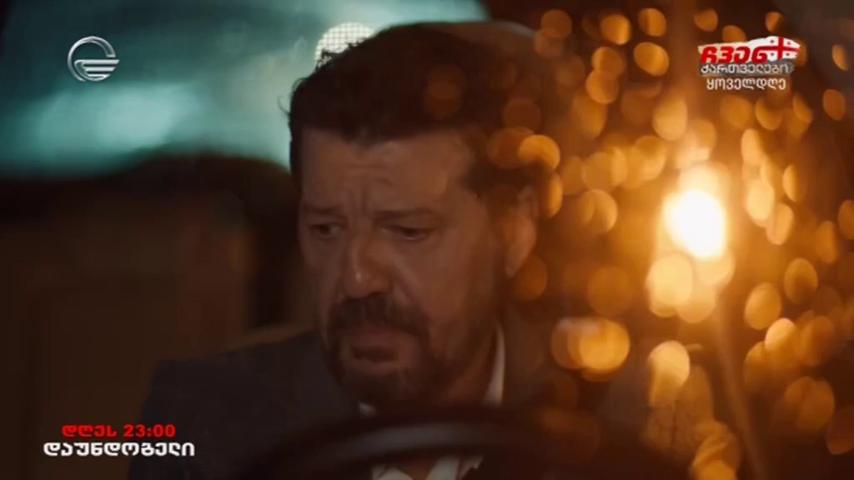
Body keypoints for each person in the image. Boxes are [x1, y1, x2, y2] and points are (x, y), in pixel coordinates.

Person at [129, 22, 657, 480]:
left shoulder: (614, 425)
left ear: (514, 232)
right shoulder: (207, 424)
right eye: (326, 229)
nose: (357, 279)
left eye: (408, 232)